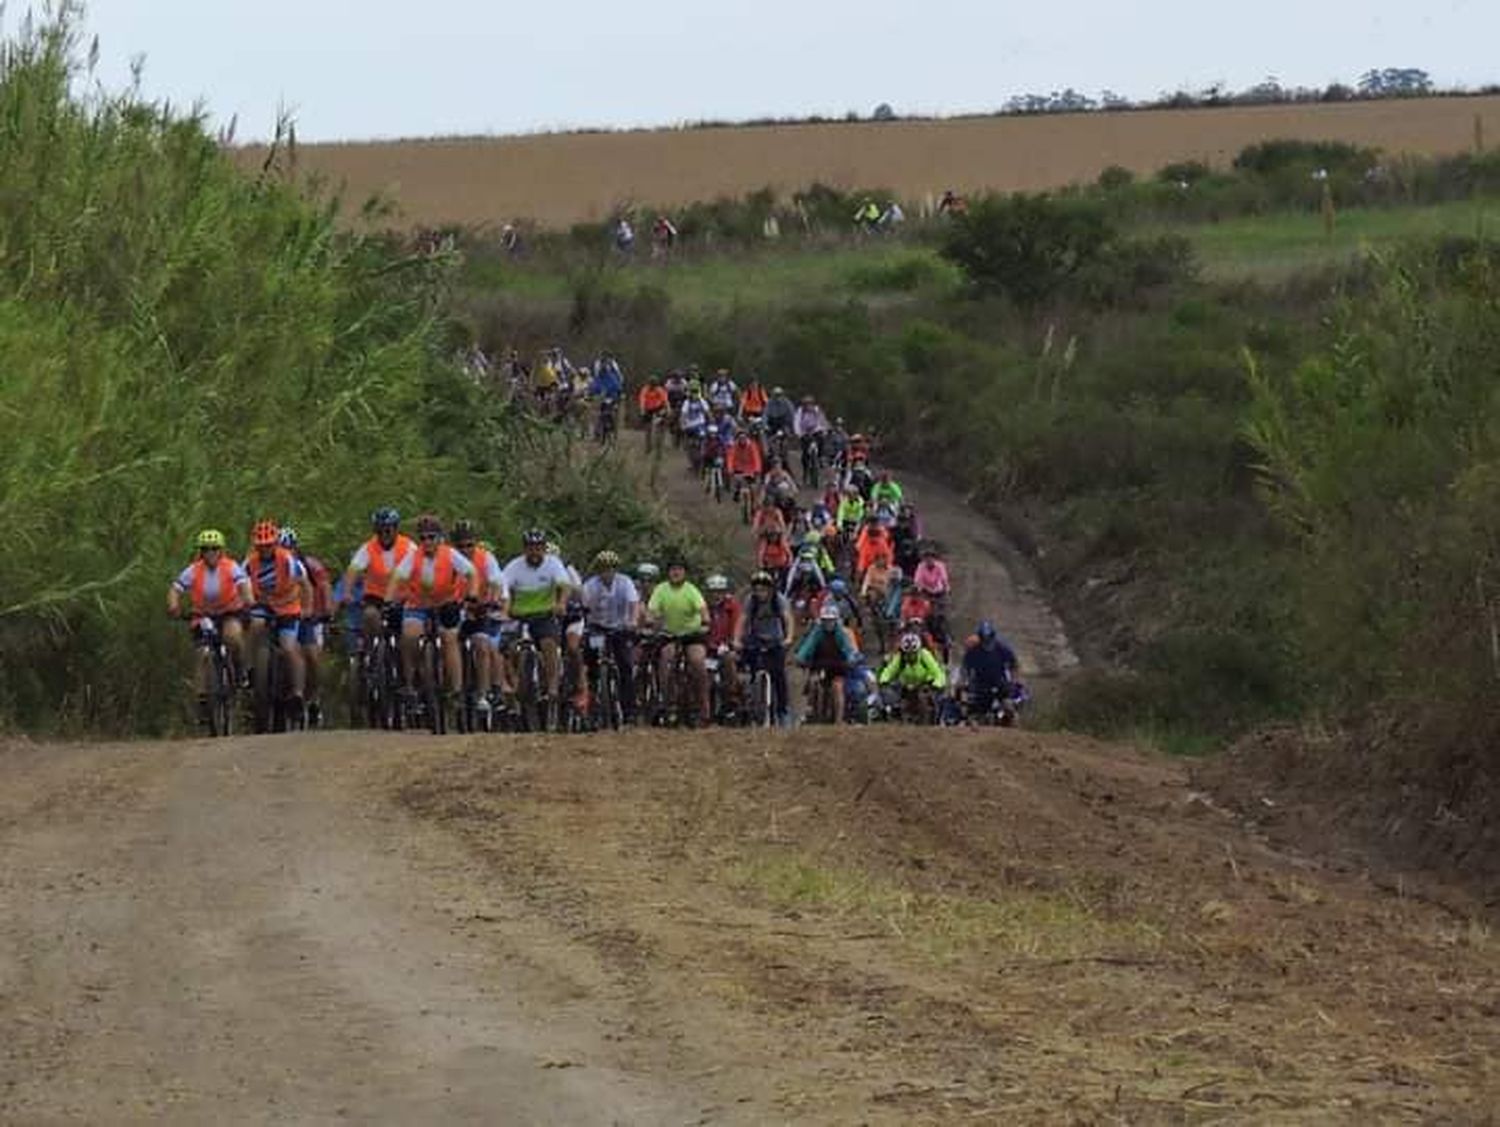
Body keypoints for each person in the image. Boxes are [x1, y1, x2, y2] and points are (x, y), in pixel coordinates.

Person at [384, 514, 479, 707]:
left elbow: (471, 574)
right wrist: (388, 601)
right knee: (409, 635)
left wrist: (473, 594)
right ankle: (411, 683)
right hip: (418, 605)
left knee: (450, 638)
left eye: (431, 537)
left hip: (446, 604)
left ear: (439, 538)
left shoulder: (450, 554)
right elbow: (397, 578)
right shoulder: (414, 556)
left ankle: (456, 689)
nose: (427, 542)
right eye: (423, 538)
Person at [168, 529, 254, 713]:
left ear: (221, 550)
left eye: (215, 548)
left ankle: (240, 672)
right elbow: (176, 588)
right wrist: (174, 606)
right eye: (206, 549)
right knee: (203, 653)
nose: (211, 553)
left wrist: (248, 599)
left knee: (233, 637)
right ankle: (202, 698)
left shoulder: (230, 566)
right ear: (201, 552)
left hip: (229, 612)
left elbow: (243, 584)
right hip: (202, 615)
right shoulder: (193, 570)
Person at [243, 519, 314, 717]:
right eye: (261, 546)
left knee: (289, 647)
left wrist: (307, 608)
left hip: (287, 607)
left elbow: (305, 584)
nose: (264, 550)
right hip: (262, 606)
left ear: (274, 543)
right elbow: (240, 582)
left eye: (268, 545)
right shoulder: (250, 561)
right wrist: (244, 601)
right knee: (256, 626)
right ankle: (248, 669)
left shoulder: (288, 560)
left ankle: (298, 693)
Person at [500, 529, 574, 708]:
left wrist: (561, 603)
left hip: (544, 614)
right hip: (518, 615)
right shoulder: (514, 566)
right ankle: (515, 685)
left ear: (544, 548)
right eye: (530, 548)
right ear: (524, 549)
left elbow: (564, 585)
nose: (534, 552)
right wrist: (505, 610)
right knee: (506, 649)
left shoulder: (553, 564)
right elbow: (504, 590)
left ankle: (552, 689)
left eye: (538, 548)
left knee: (548, 645)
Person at [452, 520, 508, 722]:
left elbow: (496, 581)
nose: (465, 550)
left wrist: (493, 599)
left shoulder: (486, 558)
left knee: (482, 646)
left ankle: (482, 695)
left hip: (479, 609)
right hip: (455, 610)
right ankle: (451, 690)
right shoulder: (449, 559)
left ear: (475, 543)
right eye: (460, 546)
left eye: (469, 545)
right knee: (447, 645)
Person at [277, 527, 333, 726]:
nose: (285, 552)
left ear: (295, 548)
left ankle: (313, 699)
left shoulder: (310, 565)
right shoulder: (270, 565)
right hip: (280, 615)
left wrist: (326, 609)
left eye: (288, 548)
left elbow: (324, 586)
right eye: (281, 548)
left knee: (312, 656)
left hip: (308, 615)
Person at [647, 559, 711, 726]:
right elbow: (652, 610)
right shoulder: (661, 590)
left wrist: (705, 622)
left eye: (679, 570)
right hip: (669, 635)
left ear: (685, 572)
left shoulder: (691, 590)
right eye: (673, 569)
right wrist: (650, 621)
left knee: (697, 661)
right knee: (666, 660)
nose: (676, 573)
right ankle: (668, 703)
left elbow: (703, 610)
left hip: (692, 634)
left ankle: (704, 707)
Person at [580, 550, 642, 723]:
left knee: (625, 665)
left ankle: (629, 709)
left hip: (619, 629)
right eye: (603, 569)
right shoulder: (591, 585)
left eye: (610, 568)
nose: (607, 572)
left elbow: (634, 604)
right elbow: (584, 607)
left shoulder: (625, 582)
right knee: (591, 661)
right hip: (597, 628)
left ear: (615, 569)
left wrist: (633, 621)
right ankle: (591, 699)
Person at [340, 507, 415, 647]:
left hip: (403, 598)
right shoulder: (368, 548)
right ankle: (373, 648)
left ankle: (407, 664)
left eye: (388, 530)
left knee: (408, 629)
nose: (384, 534)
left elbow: (419, 569)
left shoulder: (408, 546)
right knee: (370, 615)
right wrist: (347, 592)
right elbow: (353, 570)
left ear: (396, 529)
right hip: (376, 597)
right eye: (379, 530)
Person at [735, 570, 795, 725]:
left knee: (778, 675)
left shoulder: (779, 600)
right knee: (751, 672)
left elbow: (788, 619)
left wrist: (788, 638)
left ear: (770, 589)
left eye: (763, 589)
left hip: (776, 640)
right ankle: (752, 703)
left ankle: (783, 710)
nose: (760, 593)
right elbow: (743, 619)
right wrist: (737, 640)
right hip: (756, 640)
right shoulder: (751, 601)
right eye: (757, 589)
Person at [794, 602, 861, 725]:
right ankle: (810, 710)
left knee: (838, 688)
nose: (828, 624)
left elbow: (848, 649)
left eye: (831, 620)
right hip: (819, 666)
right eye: (825, 620)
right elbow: (807, 647)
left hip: (837, 667)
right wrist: (800, 658)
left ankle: (839, 720)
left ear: (836, 620)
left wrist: (851, 659)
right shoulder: (817, 632)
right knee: (813, 683)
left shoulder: (841, 633)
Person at [958, 620, 1023, 722]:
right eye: (984, 639)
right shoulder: (973, 651)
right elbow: (965, 669)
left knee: (1009, 708)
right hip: (980, 686)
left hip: (999, 683)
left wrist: (1015, 680)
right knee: (967, 712)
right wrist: (963, 682)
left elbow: (1014, 664)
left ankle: (1014, 728)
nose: (987, 642)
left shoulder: (1002, 648)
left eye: (989, 639)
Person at [878, 631, 947, 721]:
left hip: (925, 685)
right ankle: (894, 713)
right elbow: (889, 670)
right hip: (907, 686)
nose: (910, 656)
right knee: (891, 694)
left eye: (913, 653)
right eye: (908, 654)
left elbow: (938, 673)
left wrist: (936, 685)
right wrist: (884, 681)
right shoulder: (901, 658)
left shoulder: (924, 655)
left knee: (929, 697)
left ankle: (934, 717)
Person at [703, 573, 743, 715]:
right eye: (713, 592)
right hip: (707, 649)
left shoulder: (733, 607)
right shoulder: (703, 607)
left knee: (729, 660)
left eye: (720, 592)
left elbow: (737, 626)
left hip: (726, 648)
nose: (716, 595)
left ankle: (732, 699)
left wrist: (731, 642)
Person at [727, 429, 764, 497]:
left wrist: (757, 469)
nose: (742, 440)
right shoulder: (734, 446)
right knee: (737, 483)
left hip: (750, 469)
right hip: (739, 469)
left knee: (753, 487)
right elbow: (730, 458)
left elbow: (756, 458)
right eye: (740, 438)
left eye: (744, 438)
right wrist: (730, 469)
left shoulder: (752, 445)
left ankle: (754, 502)